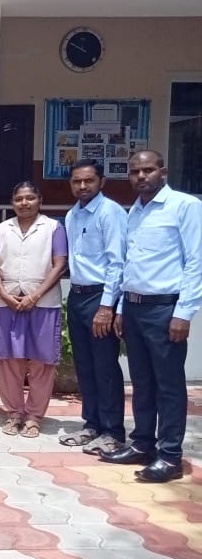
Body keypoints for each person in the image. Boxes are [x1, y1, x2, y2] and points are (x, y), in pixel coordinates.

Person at [103, 150, 202, 483]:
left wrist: (184, 312)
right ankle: (143, 444)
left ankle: (170, 455)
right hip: (134, 308)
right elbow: (129, 264)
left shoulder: (185, 206)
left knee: (168, 385)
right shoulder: (135, 212)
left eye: (148, 170)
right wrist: (120, 308)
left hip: (165, 309)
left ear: (164, 171)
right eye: (135, 172)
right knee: (142, 382)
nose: (141, 176)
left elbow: (195, 262)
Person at [0, 182, 68, 439]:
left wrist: (35, 295)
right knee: (9, 361)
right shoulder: (2, 229)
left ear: (39, 200)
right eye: (19, 198)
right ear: (13, 202)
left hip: (42, 303)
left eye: (30, 198)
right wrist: (3, 293)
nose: (24, 203)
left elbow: (59, 264)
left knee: (42, 362)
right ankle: (14, 413)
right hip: (8, 302)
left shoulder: (53, 228)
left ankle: (34, 416)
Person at [60, 160, 127, 455]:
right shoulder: (72, 215)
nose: (83, 186)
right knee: (85, 366)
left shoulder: (110, 212)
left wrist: (107, 306)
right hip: (77, 296)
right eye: (77, 181)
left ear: (101, 182)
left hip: (100, 298)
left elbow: (117, 262)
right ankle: (92, 425)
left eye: (88, 180)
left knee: (105, 366)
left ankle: (113, 432)